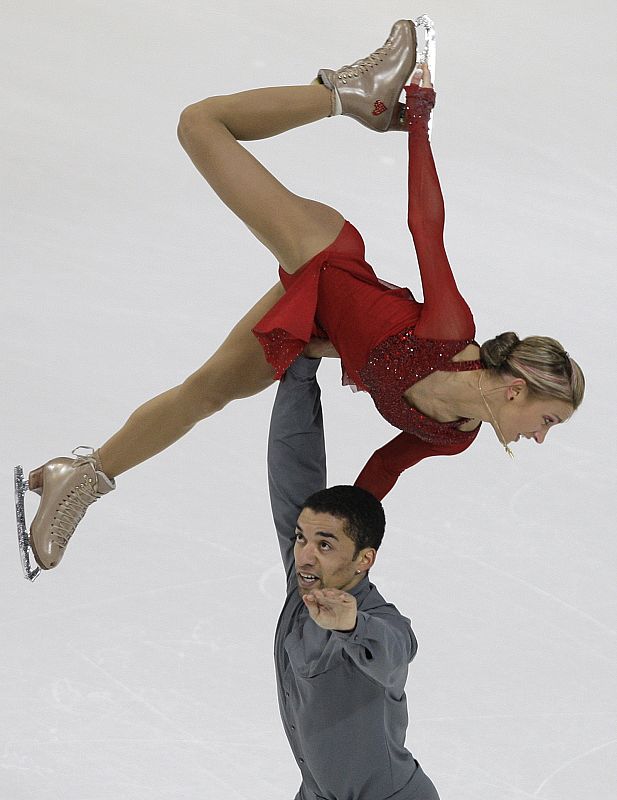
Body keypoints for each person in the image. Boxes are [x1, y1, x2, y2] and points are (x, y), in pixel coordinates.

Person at [19, 19, 584, 573]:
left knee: (206, 393)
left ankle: (84, 477)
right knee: (200, 123)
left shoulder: (451, 436)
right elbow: (425, 225)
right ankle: (346, 93)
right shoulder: (451, 331)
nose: (539, 437)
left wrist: (341, 550)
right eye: (549, 420)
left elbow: (376, 479)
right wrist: (418, 124)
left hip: (315, 321)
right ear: (516, 389)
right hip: (326, 252)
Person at [268, 354, 440, 800]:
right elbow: (293, 464)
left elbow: (396, 650)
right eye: (301, 538)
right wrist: (300, 368)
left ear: (364, 560)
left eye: (325, 544)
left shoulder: (376, 619)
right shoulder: (306, 581)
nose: (304, 555)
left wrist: (350, 625)